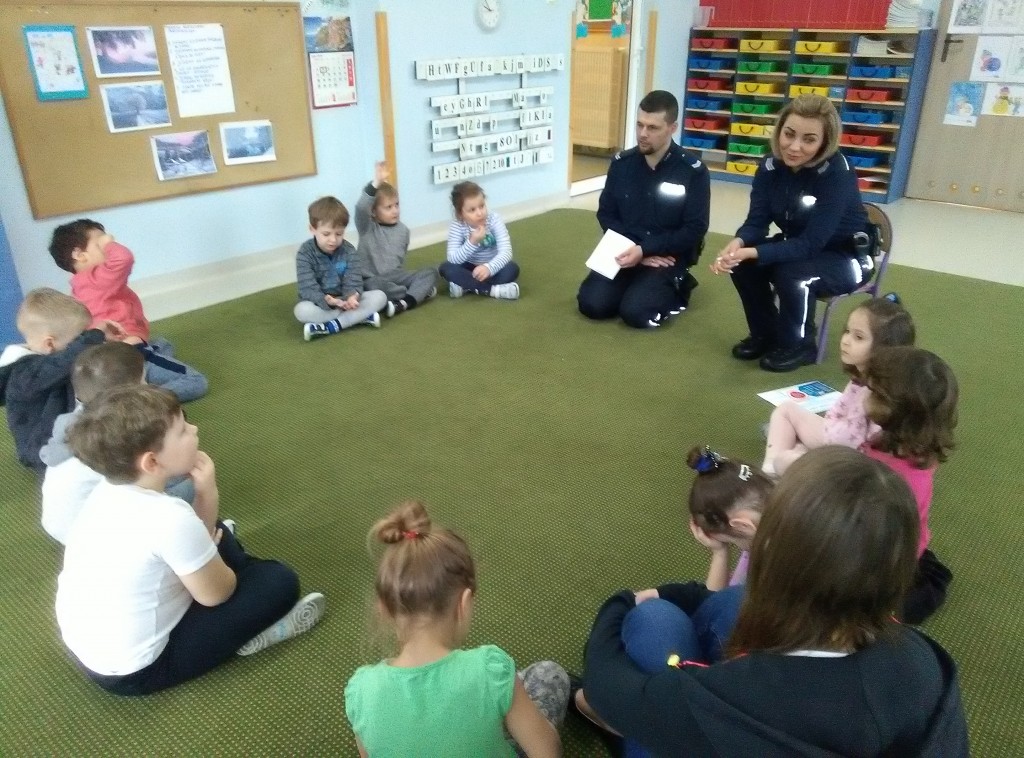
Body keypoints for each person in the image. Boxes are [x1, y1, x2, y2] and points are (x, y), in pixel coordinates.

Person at [582, 446, 970, 756]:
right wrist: (680, 593)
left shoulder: (747, 700)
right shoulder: (924, 661)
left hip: (716, 714)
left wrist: (618, 605)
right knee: (730, 602)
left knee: (653, 620)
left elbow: (612, 688)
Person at [56, 384, 326, 696]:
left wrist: (209, 537)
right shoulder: (169, 518)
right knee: (279, 581)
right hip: (138, 671)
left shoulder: (103, 493)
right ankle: (255, 630)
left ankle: (223, 563)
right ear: (151, 463)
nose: (194, 429)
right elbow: (218, 595)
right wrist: (208, 494)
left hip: (89, 649)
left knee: (217, 536)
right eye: (182, 430)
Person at [572, 446, 774, 749]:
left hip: (729, 721)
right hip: (754, 689)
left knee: (654, 620)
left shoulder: (776, 572)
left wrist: (616, 610)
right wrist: (720, 552)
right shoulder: (784, 537)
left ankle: (609, 718)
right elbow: (716, 605)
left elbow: (720, 605)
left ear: (744, 525)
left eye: (734, 543)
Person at [345, 500, 568, 756]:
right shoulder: (490, 670)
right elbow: (547, 753)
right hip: (494, 695)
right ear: (464, 603)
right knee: (549, 674)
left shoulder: (361, 691)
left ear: (384, 609)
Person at [711, 94, 873, 372]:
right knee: (744, 265)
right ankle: (766, 334)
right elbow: (757, 222)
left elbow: (811, 244)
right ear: (779, 131)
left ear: (825, 141)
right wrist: (739, 242)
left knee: (792, 274)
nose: (794, 147)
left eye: (809, 140)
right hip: (797, 247)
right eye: (789, 134)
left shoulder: (837, 174)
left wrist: (754, 251)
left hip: (848, 258)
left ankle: (799, 345)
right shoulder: (769, 166)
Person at [577, 90, 710, 329]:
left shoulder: (692, 172)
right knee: (592, 305)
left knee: (636, 314)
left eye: (653, 128)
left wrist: (646, 250)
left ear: (672, 128)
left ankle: (680, 285)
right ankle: (637, 284)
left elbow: (695, 228)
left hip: (667, 256)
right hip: (625, 250)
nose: (643, 134)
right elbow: (606, 213)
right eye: (640, 125)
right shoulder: (621, 164)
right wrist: (634, 251)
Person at [40, 342, 194, 545]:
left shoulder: (75, 420)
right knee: (191, 485)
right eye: (144, 382)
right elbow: (151, 476)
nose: (149, 387)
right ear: (128, 398)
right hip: (96, 536)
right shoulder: (120, 434)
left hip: (59, 523)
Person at [48, 219, 209, 402]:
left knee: (164, 344)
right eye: (100, 243)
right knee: (196, 381)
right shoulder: (98, 280)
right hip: (130, 353)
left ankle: (135, 378)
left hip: (112, 356)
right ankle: (139, 398)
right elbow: (124, 258)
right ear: (79, 255)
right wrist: (109, 244)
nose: (109, 244)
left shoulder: (80, 285)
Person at [763, 296, 915, 475]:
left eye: (858, 337)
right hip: (842, 446)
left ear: (885, 348)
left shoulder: (874, 393)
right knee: (792, 436)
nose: (846, 340)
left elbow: (847, 441)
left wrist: (814, 437)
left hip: (845, 459)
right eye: (847, 331)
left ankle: (769, 472)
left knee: (785, 422)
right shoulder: (871, 379)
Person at [861, 346, 959, 625]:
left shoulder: (903, 480)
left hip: (886, 555)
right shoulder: (895, 441)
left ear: (902, 411)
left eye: (874, 393)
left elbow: (885, 543)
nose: (865, 396)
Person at [0, 289, 111, 476]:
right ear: (50, 344)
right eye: (78, 338)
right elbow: (62, 362)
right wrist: (93, 337)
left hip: (62, 430)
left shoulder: (45, 362)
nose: (81, 342)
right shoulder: (24, 374)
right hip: (41, 448)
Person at [294, 196, 388, 341]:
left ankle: (332, 326)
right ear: (312, 229)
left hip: (346, 300)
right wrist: (328, 301)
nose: (333, 240)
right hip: (321, 303)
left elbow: (354, 279)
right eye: (326, 234)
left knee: (380, 296)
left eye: (339, 234)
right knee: (301, 311)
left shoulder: (349, 250)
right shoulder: (304, 253)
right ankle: (357, 318)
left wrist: (352, 297)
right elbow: (307, 288)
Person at [355, 161, 437, 318]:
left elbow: (399, 260)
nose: (395, 211)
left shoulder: (403, 230)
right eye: (388, 207)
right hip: (372, 280)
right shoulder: (367, 228)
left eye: (397, 205)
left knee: (430, 272)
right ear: (373, 212)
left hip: (396, 276)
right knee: (375, 286)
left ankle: (404, 302)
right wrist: (376, 183)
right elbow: (360, 208)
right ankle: (415, 293)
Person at [439, 182, 521, 300]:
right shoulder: (458, 225)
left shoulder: (494, 220)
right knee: (446, 268)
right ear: (460, 214)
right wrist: (472, 242)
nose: (480, 213)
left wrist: (489, 268)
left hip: (493, 266)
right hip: (469, 267)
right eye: (472, 210)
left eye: (482, 206)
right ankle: (492, 290)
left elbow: (506, 252)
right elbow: (453, 259)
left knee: (512, 268)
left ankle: (466, 286)